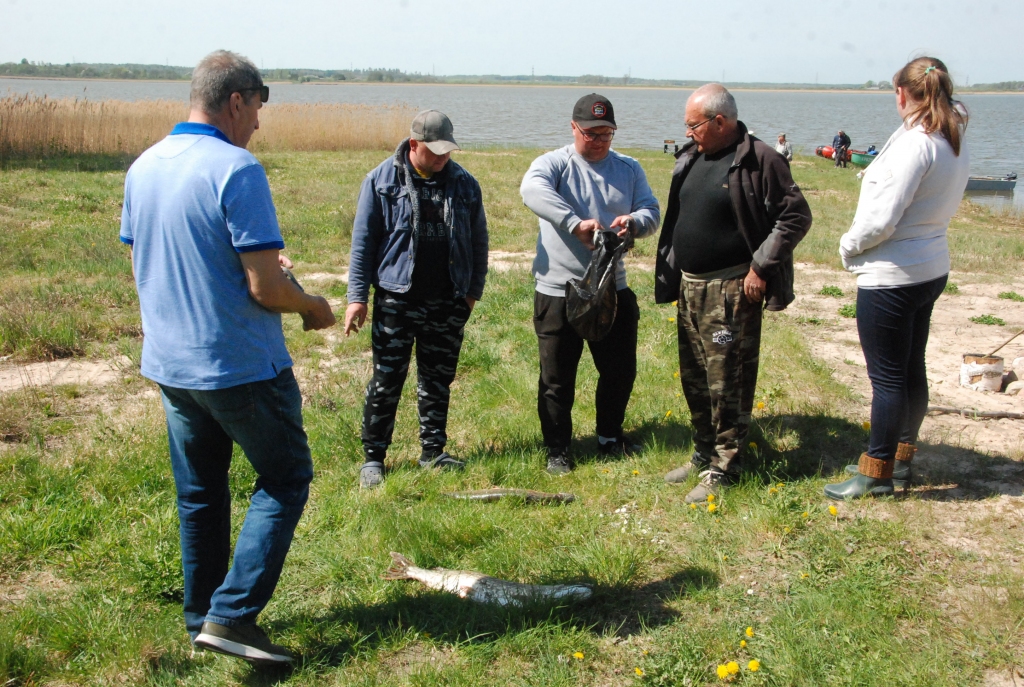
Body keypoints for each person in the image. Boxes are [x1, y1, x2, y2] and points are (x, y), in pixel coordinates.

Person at [120, 50, 336, 664]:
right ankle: (233, 615)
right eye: (259, 108)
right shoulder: (237, 169)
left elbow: (148, 260)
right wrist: (311, 304)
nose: (260, 124)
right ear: (236, 101)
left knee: (201, 494)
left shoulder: (144, 166)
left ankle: (201, 621)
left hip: (171, 366)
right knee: (286, 477)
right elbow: (266, 290)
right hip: (238, 365)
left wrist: (256, 269)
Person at [656, 84, 812, 503]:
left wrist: (762, 266)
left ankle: (725, 467)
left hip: (729, 291)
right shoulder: (693, 156)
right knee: (695, 378)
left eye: (693, 125)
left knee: (728, 382)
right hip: (690, 288)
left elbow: (795, 216)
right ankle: (703, 451)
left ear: (719, 121)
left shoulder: (761, 159)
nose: (688, 132)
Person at [825, 57, 969, 500]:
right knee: (910, 369)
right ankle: (899, 459)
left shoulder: (915, 144)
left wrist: (849, 245)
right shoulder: (949, 138)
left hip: (893, 276)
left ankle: (876, 472)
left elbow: (881, 219)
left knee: (887, 378)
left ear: (903, 94)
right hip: (929, 266)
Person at [344, 110, 488, 489]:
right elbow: (363, 244)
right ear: (414, 145)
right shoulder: (379, 181)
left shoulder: (465, 184)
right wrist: (357, 298)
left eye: (447, 151)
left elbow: (479, 242)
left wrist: (472, 293)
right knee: (387, 379)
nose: (442, 158)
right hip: (396, 298)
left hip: (448, 299)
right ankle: (373, 458)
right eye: (435, 151)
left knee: (437, 380)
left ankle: (432, 452)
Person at [520, 94, 660, 474]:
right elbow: (531, 190)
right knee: (556, 378)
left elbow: (652, 210)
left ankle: (610, 436)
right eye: (591, 133)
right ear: (573, 128)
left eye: (607, 133)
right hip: (557, 291)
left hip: (612, 290)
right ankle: (558, 450)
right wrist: (574, 223)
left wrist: (634, 222)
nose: (598, 141)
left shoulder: (629, 168)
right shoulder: (553, 164)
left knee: (619, 371)